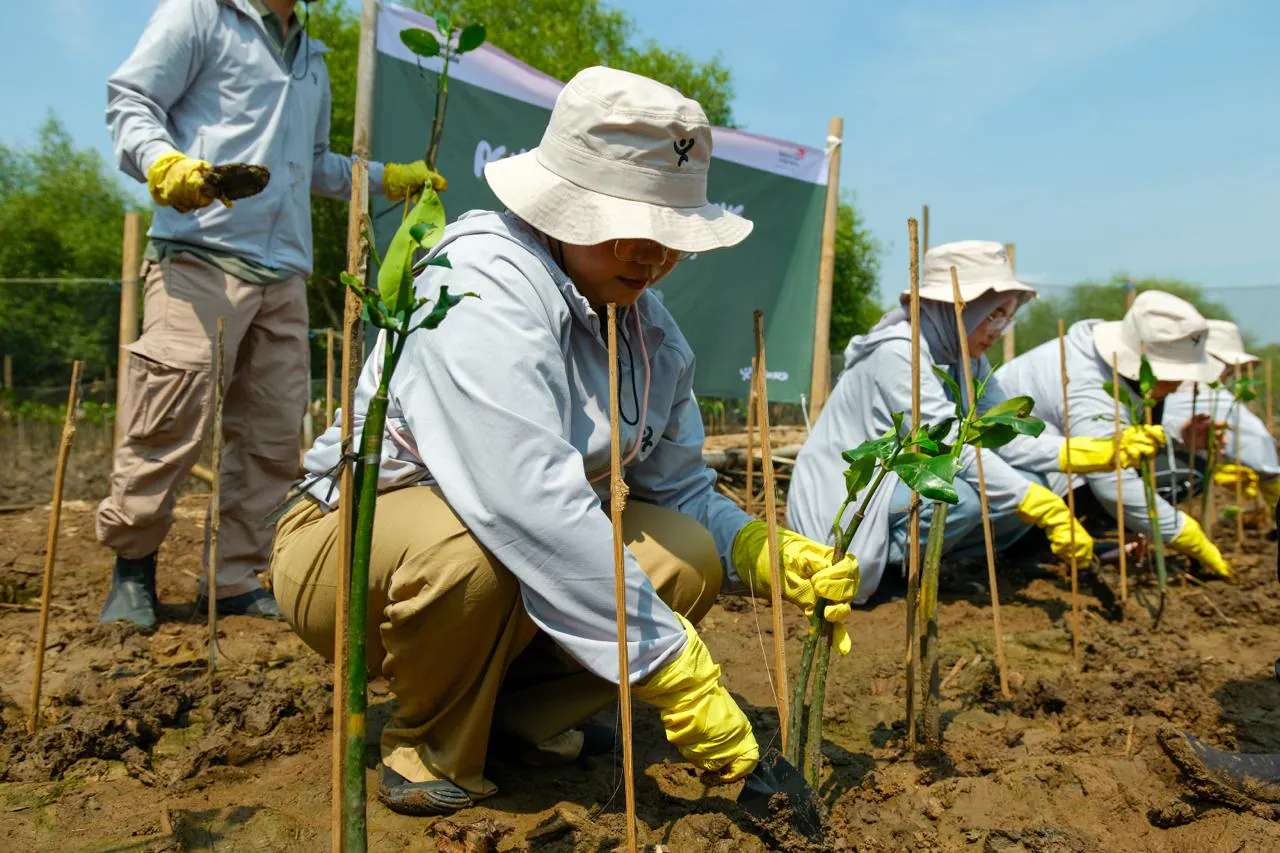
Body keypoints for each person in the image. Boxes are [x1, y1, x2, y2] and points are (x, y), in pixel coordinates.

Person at [269, 67, 859, 816]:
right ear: (566, 205)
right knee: (471, 552)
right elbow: (525, 503)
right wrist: (673, 667)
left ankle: (519, 717)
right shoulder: (482, 280)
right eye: (632, 227)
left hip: (498, 544)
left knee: (688, 553)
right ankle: (428, 741)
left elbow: (675, 490)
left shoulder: (649, 330)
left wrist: (757, 548)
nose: (652, 255)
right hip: (351, 542)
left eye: (669, 235)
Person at [98, 0, 439, 628]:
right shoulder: (199, 15)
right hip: (199, 251)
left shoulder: (310, 53)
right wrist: (164, 164)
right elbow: (131, 101)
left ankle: (231, 579)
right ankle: (133, 567)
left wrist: (379, 177)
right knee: (169, 417)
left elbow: (309, 164)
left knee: (273, 432)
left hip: (284, 268)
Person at [789, 242, 1155, 603]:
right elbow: (946, 445)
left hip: (897, 486)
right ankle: (890, 574)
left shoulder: (965, 360)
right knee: (959, 495)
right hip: (848, 498)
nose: (999, 329)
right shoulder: (900, 352)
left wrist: (1092, 453)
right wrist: (1037, 503)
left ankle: (930, 564)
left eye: (1006, 316)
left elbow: (1003, 433)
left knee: (1035, 480)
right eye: (993, 314)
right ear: (957, 309)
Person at [997, 291, 1231, 577]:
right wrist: (1182, 532)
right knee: (1175, 474)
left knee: (1174, 469)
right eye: (1174, 373)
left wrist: (1179, 433)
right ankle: (1023, 549)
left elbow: (1128, 437)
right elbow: (1111, 479)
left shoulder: (1114, 368)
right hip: (1011, 478)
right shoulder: (1087, 384)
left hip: (1049, 467)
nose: (1180, 383)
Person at [1162, 320, 1279, 511]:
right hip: (1153, 478)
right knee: (1195, 473)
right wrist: (1270, 480)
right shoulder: (1209, 395)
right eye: (1230, 368)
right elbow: (1258, 441)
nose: (1231, 374)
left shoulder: (1165, 385)